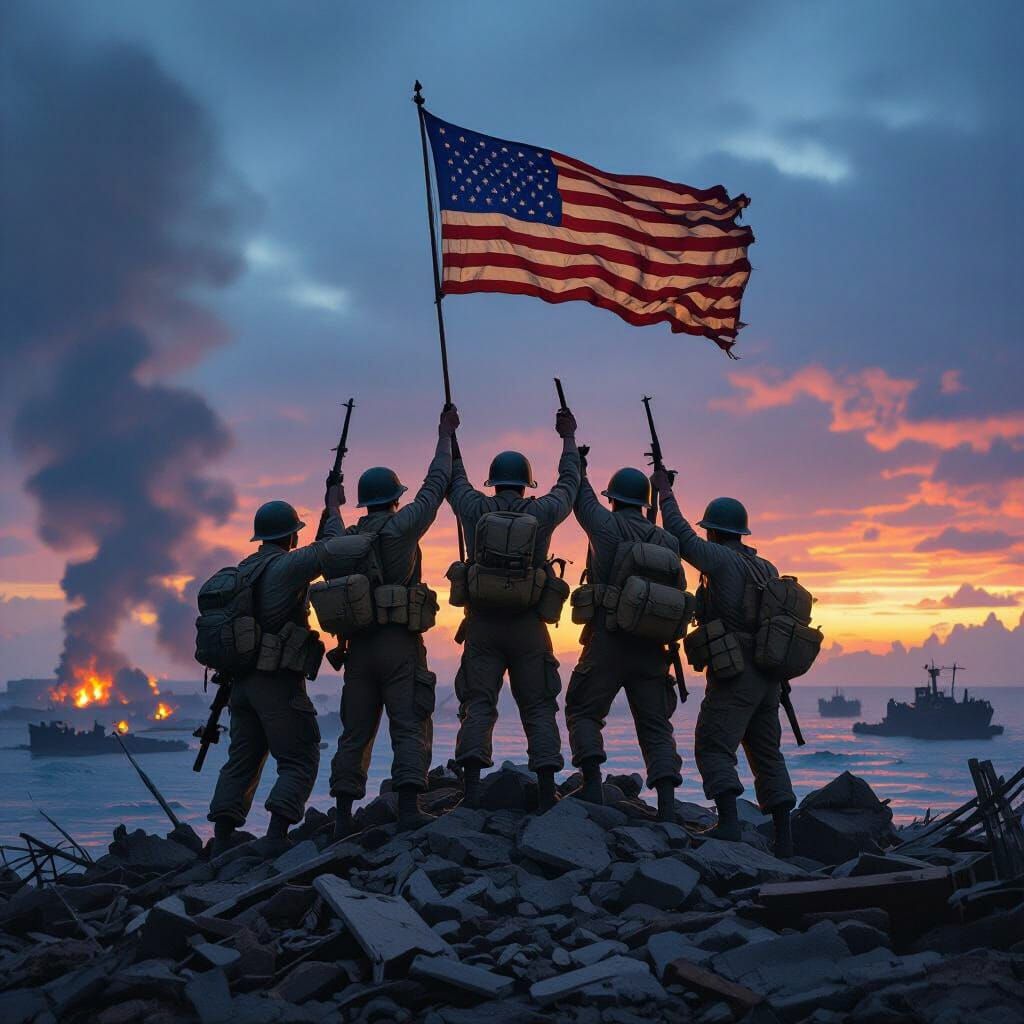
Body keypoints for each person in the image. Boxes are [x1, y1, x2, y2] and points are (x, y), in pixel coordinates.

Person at [652, 470, 796, 857]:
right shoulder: (765, 567)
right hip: (770, 678)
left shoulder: (720, 561)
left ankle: (729, 825)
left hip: (737, 673)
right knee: (767, 754)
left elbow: (681, 537)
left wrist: (665, 493)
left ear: (714, 532)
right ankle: (784, 838)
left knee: (714, 745)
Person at [330, 405, 459, 836]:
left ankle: (343, 816)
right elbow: (435, 485)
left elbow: (327, 532)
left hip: (359, 649)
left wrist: (332, 504)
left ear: (364, 503)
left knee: (355, 733)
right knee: (410, 723)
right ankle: (408, 808)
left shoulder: (345, 541)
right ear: (395, 499)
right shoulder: (402, 528)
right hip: (400, 645)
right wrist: (445, 435)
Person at [448, 406, 581, 811]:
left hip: (482, 625)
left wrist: (450, 435)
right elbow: (569, 486)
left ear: (494, 482)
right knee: (539, 705)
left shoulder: (473, 509)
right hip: (529, 626)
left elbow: (455, 480)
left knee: (479, 704)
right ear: (525, 483)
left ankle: (470, 793)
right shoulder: (542, 513)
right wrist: (568, 438)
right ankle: (546, 791)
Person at [208, 487, 342, 857]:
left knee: (243, 760)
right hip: (277, 683)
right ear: (291, 535)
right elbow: (331, 549)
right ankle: (276, 836)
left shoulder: (245, 569)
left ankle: (221, 840)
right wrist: (332, 508)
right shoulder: (285, 566)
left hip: (241, 687)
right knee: (300, 755)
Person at [565, 459, 684, 821]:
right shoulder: (667, 539)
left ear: (613, 499)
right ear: (645, 504)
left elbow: (582, 501)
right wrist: (665, 491)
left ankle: (591, 785)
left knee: (583, 710)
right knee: (655, 726)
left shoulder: (605, 525)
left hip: (608, 640)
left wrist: (580, 467)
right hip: (652, 648)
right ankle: (666, 805)